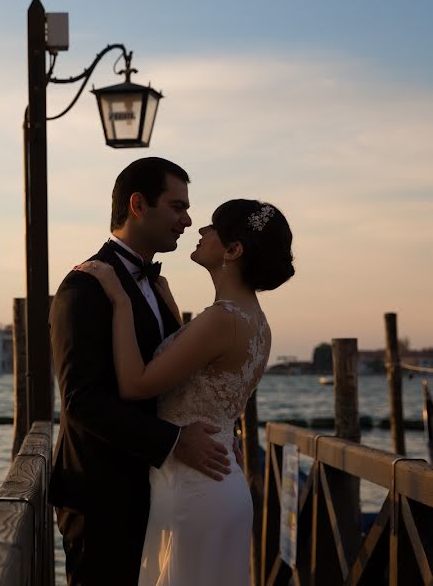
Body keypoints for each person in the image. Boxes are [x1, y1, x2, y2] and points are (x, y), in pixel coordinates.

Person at [75, 198, 294, 586]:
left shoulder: (220, 319)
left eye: (212, 227)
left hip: (193, 492)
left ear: (233, 250)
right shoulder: (256, 321)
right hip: (221, 484)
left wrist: (121, 300)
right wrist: (174, 318)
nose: (201, 230)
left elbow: (136, 384)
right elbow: (206, 380)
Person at [49, 158, 238, 586]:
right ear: (138, 205)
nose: (188, 221)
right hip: (103, 497)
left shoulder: (155, 286)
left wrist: (214, 433)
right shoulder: (84, 286)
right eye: (177, 207)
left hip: (156, 492)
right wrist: (174, 442)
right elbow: (82, 402)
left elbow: (174, 385)